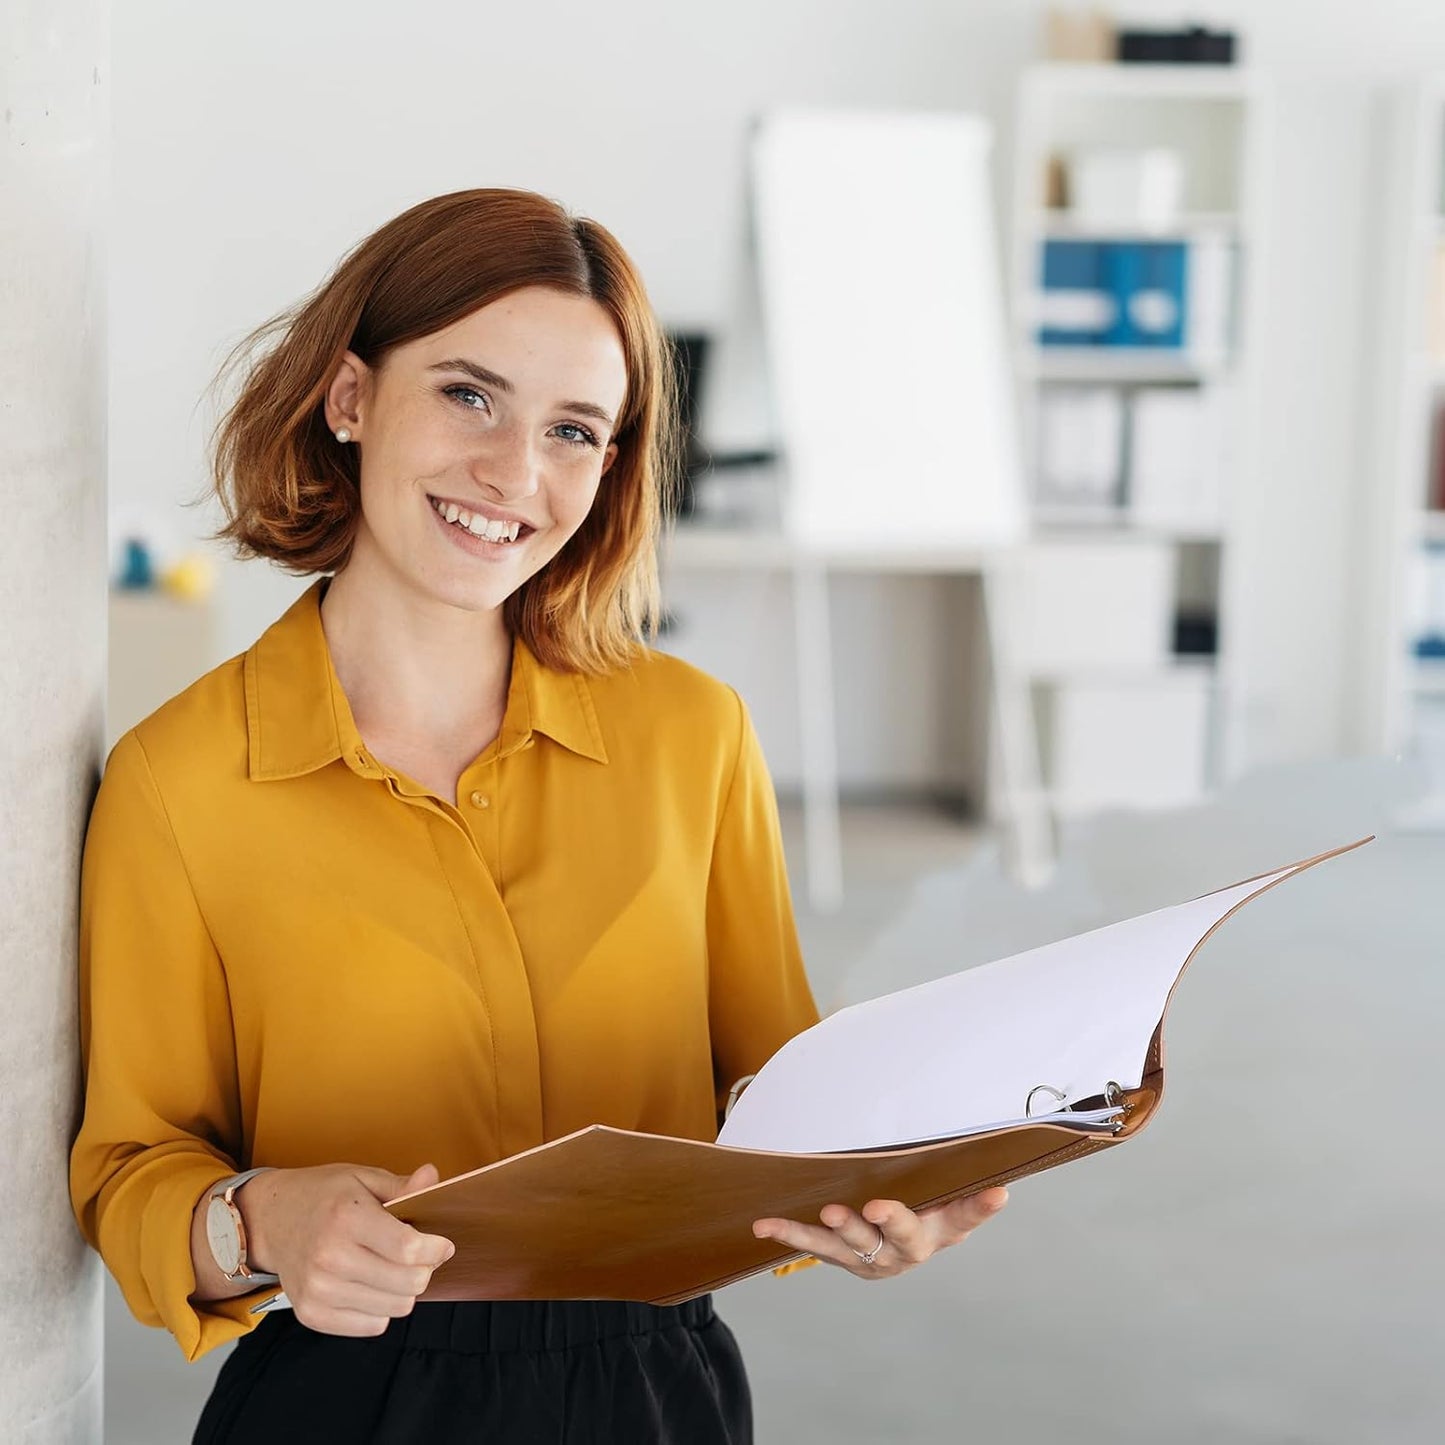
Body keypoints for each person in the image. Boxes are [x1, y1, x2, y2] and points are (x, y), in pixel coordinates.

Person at [68, 187, 1009, 1444]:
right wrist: (258, 1220)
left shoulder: (694, 735)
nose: (514, 472)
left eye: (574, 429)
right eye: (468, 394)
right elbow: (130, 1166)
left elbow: (776, 1096)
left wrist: (875, 1193)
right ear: (349, 399)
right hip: (343, 1402)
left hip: (654, 1393)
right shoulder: (176, 782)